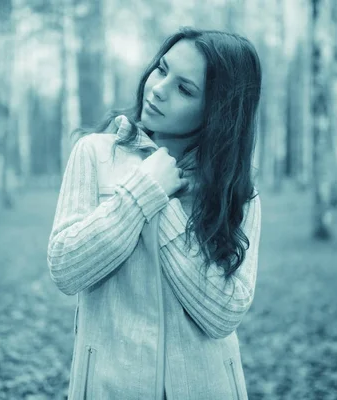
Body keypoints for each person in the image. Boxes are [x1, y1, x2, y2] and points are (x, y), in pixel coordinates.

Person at [47, 27, 262, 400]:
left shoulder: (237, 192)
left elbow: (224, 315)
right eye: (162, 70)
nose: (158, 88)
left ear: (218, 111)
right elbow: (66, 269)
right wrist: (143, 191)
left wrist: (165, 208)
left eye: (185, 89)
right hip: (110, 387)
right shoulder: (95, 154)